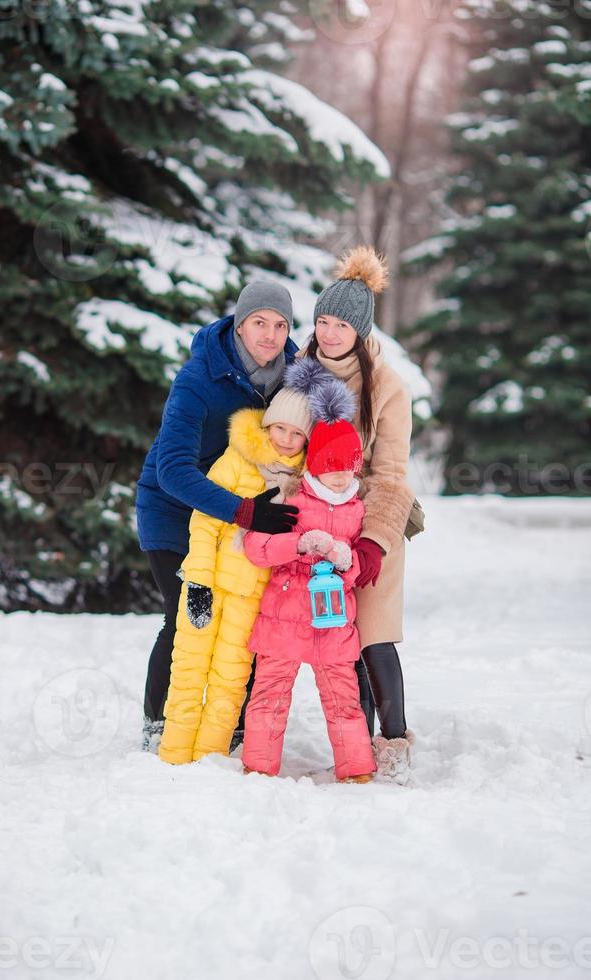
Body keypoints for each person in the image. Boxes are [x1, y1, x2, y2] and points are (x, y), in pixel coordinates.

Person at [136, 282, 301, 750]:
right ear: (239, 322)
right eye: (259, 323)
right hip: (172, 510)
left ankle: (234, 723)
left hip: (248, 515)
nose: (270, 336)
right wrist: (246, 511)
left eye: (280, 325)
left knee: (247, 616)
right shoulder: (198, 379)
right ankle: (159, 722)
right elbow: (172, 469)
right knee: (185, 615)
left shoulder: (293, 380)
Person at [158, 363, 323, 764]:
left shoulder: (300, 483)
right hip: (209, 584)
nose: (285, 439)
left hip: (252, 595)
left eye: (296, 433)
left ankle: (210, 756)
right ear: (267, 427)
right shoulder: (236, 461)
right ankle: (175, 755)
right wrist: (197, 580)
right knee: (189, 668)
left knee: (231, 677)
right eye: (280, 428)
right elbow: (204, 521)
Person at [302, 245, 416, 784]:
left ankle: (393, 743)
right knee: (335, 638)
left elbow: (392, 474)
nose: (328, 333)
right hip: (313, 528)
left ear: (360, 328)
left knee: (372, 634)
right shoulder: (298, 376)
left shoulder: (387, 387)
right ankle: (356, 748)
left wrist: (372, 540)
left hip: (373, 525)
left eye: (340, 324)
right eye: (322, 321)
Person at [241, 399, 377, 784]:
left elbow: (357, 569)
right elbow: (257, 548)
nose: (339, 476)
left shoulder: (357, 508)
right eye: (331, 466)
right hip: (284, 615)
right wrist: (298, 545)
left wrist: (344, 558)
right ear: (315, 463)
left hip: (332, 619)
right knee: (269, 695)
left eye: (347, 467)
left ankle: (356, 771)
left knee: (344, 700)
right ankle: (259, 766)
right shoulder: (292, 498)